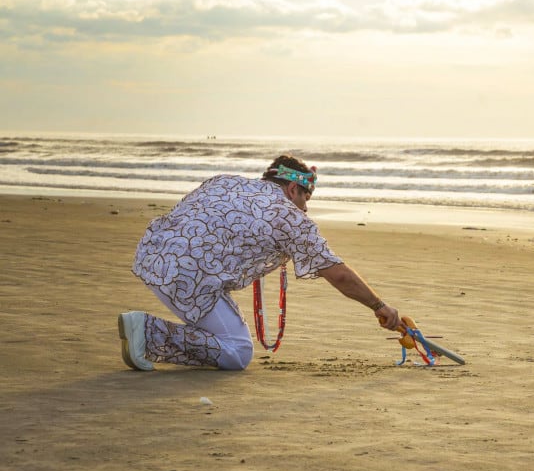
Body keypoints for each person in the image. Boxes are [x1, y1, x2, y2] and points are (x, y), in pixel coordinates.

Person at [118, 154, 403, 371]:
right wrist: (379, 306)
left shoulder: (225, 181)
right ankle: (147, 332)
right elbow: (337, 273)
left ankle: (149, 334)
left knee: (222, 327)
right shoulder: (290, 218)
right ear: (292, 189)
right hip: (189, 278)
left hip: (153, 255)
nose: (306, 207)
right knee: (238, 350)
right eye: (306, 197)